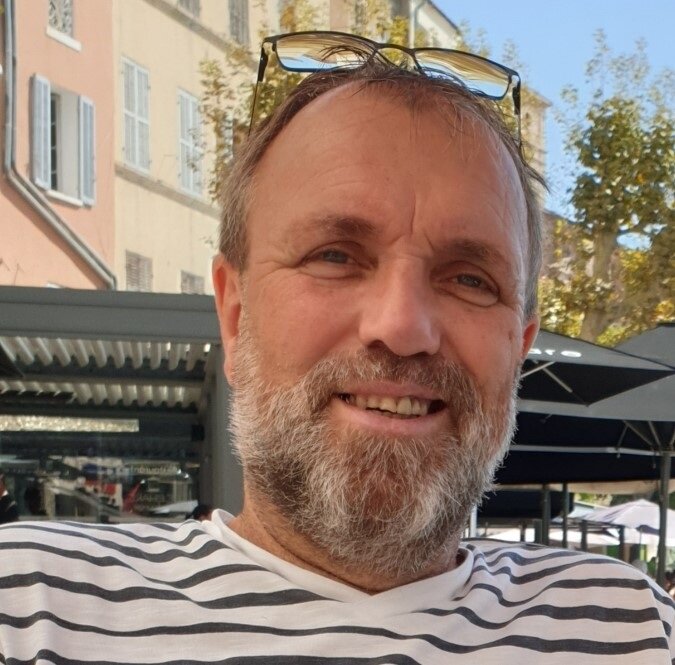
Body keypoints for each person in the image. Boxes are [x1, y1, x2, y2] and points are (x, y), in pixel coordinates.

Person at [1, 33, 673, 663]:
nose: (401, 326)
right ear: (235, 315)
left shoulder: (632, 627)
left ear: (518, 349)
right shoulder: (30, 605)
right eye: (334, 256)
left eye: (470, 279)